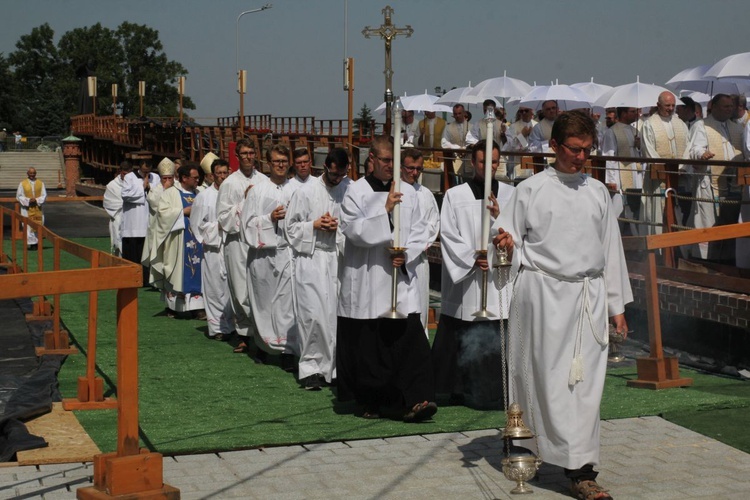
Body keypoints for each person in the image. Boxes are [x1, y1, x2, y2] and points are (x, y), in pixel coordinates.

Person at [492, 110, 632, 500]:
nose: (582, 157)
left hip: (587, 297)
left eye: (588, 150)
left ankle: (582, 470)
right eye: (575, 149)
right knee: (545, 381)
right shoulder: (531, 189)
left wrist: (616, 306)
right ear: (554, 146)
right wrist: (504, 243)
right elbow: (506, 236)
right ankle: (531, 448)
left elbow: (611, 252)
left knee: (585, 388)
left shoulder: (598, 192)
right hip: (543, 298)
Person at [337, 135, 436, 422]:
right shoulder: (356, 191)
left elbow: (421, 229)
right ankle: (373, 400)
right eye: (384, 161)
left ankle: (417, 398)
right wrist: (385, 212)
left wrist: (405, 252)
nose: (389, 167)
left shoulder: (407, 190)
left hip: (398, 275)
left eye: (393, 162)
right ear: (371, 159)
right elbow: (353, 230)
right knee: (369, 346)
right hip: (369, 277)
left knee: (410, 340)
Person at [431, 140, 514, 408]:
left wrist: (499, 248)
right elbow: (449, 234)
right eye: (482, 162)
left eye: (493, 162)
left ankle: (500, 390)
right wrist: (473, 257)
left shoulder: (512, 194)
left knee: (498, 329)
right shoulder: (456, 196)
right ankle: (459, 389)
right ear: (471, 163)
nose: (489, 167)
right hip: (468, 280)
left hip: (499, 279)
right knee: (463, 326)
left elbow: (517, 233)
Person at [284, 148, 352, 390]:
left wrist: (338, 228)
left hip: (337, 256)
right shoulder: (305, 192)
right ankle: (310, 368)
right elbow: (290, 229)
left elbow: (356, 224)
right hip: (311, 257)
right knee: (312, 314)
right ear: (325, 168)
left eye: (341, 176)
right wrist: (314, 224)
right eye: (334, 175)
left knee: (334, 315)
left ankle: (332, 368)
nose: (337, 180)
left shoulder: (349, 190)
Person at [241, 144, 298, 365]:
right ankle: (264, 346)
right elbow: (246, 225)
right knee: (263, 303)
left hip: (287, 253)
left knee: (287, 303)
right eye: (276, 161)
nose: (281, 165)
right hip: (263, 255)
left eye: (284, 161)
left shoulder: (296, 190)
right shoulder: (257, 191)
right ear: (268, 163)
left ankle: (287, 349)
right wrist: (269, 219)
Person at [216, 139, 268, 353]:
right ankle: (244, 333)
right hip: (237, 241)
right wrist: (244, 202)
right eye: (244, 153)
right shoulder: (229, 183)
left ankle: (262, 333)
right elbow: (223, 217)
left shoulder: (264, 180)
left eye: (251, 152)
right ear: (237, 157)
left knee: (260, 287)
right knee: (240, 290)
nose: (248, 156)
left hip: (257, 240)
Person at [686, 93, 744, 261]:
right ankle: (705, 258)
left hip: (733, 183)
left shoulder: (737, 127)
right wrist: (702, 154)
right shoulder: (701, 126)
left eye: (731, 106)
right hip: (710, 182)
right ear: (715, 107)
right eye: (726, 106)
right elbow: (694, 148)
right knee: (707, 220)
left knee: (730, 220)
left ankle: (728, 257)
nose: (729, 109)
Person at [146, 163, 205, 316]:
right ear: (184, 178)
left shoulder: (200, 192)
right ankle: (176, 307)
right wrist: (182, 212)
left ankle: (198, 308)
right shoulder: (170, 193)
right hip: (178, 240)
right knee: (177, 271)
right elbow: (162, 214)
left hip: (199, 241)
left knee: (200, 270)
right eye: (195, 178)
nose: (198, 181)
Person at [190, 158, 234, 340]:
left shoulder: (234, 194)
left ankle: (233, 325)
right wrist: (217, 227)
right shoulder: (204, 197)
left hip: (232, 245)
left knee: (231, 286)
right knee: (215, 286)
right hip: (214, 247)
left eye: (225, 173)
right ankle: (217, 328)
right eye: (219, 174)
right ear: (212, 175)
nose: (222, 177)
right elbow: (196, 225)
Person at [400, 148, 440, 335]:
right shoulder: (393, 191)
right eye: (410, 168)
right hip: (396, 260)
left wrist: (416, 247)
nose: (414, 173)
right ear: (401, 167)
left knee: (420, 305)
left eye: (418, 169)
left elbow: (433, 225)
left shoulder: (426, 194)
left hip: (418, 260)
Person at [640, 91, 689, 236]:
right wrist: (666, 170)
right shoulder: (649, 124)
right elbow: (648, 150)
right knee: (657, 214)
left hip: (679, 177)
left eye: (673, 105)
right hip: (659, 179)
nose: (671, 108)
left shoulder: (680, 124)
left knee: (679, 214)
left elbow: (688, 146)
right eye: (667, 105)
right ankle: (660, 250)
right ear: (658, 105)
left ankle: (678, 249)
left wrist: (680, 168)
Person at [602, 107, 643, 236]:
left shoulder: (635, 130)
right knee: (617, 209)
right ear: (624, 114)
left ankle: (636, 240)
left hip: (635, 175)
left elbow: (639, 155)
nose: (636, 114)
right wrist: (611, 180)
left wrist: (639, 146)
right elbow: (609, 156)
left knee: (635, 209)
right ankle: (613, 238)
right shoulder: (612, 131)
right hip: (620, 175)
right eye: (632, 112)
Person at [121, 158, 160, 284]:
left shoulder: (156, 177)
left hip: (149, 219)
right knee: (134, 251)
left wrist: (149, 187)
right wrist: (142, 188)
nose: (146, 174)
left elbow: (160, 193)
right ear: (139, 168)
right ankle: (133, 277)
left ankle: (148, 278)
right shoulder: (129, 177)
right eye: (143, 172)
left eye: (148, 171)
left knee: (148, 250)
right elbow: (125, 195)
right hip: (134, 221)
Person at [103, 161, 133, 256]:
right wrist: (123, 204)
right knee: (119, 246)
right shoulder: (112, 185)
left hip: (133, 218)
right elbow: (108, 202)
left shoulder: (136, 183)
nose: (127, 177)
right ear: (120, 172)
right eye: (124, 174)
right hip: (119, 217)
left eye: (129, 174)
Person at [16, 167, 47, 250]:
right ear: (27, 173)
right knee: (28, 225)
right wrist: (29, 200)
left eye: (33, 173)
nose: (32, 175)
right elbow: (19, 196)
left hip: (38, 208)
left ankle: (37, 242)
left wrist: (36, 200)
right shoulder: (22, 184)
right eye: (30, 173)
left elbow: (44, 195)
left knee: (38, 224)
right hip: (27, 208)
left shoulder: (41, 183)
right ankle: (32, 244)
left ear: (35, 173)